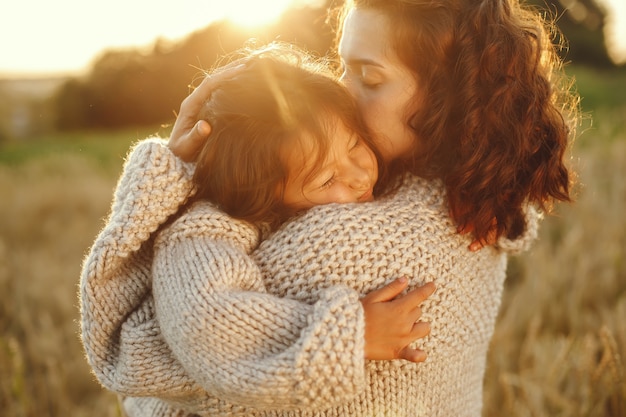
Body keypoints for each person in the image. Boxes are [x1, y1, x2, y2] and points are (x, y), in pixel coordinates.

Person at [80, 0, 579, 416]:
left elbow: (143, 353)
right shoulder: (479, 204)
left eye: (370, 76)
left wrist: (178, 177)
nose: (344, 91)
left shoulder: (341, 243)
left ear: (449, 92)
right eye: (342, 66)